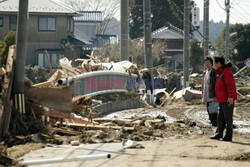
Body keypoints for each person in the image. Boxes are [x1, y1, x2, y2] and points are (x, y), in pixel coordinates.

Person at [210, 56, 237, 142]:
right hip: (222, 99)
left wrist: (230, 97)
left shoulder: (226, 72)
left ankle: (228, 136)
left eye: (214, 63)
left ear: (219, 63)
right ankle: (219, 133)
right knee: (220, 117)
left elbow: (230, 85)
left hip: (227, 99)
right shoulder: (220, 72)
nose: (213, 64)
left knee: (228, 118)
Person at [202, 56, 217, 126]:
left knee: (213, 108)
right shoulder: (205, 72)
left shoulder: (213, 72)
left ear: (211, 63)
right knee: (208, 107)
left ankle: (215, 122)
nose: (207, 64)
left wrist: (215, 95)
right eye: (205, 63)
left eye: (208, 62)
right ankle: (211, 120)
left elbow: (215, 84)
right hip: (206, 93)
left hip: (212, 94)